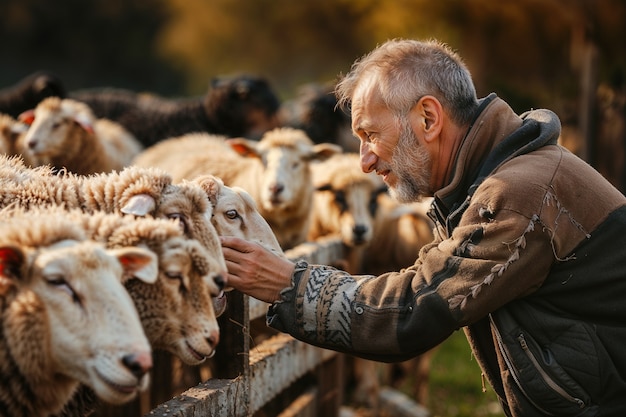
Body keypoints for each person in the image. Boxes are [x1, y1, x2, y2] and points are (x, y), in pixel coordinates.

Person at [220, 38, 626, 416]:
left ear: (428, 118)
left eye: (370, 135)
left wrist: (290, 285)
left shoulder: (516, 194)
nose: (363, 160)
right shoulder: (493, 180)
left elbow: (414, 308)